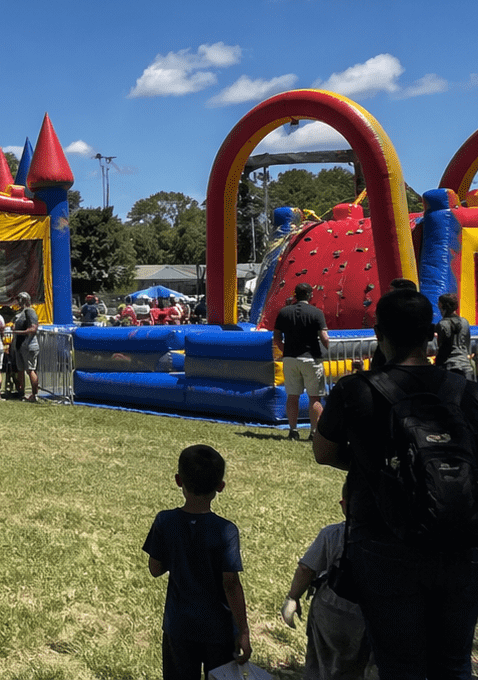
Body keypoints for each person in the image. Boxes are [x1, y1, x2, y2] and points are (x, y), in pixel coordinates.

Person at [313, 289, 478, 679]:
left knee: (398, 665)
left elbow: (323, 452)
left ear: (379, 332)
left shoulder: (354, 390)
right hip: (464, 542)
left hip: (382, 542)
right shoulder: (469, 392)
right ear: (432, 334)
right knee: (454, 661)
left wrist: (376, 470)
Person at [143, 444, 250, 680]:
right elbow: (231, 583)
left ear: (178, 480)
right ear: (220, 487)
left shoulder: (164, 521)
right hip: (218, 632)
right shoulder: (226, 530)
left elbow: (155, 568)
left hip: (178, 627)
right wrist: (243, 630)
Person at [281, 479, 370, 680]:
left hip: (329, 611)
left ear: (343, 504)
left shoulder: (333, 533)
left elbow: (306, 568)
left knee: (318, 659)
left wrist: (292, 597)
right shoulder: (386, 541)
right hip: (366, 615)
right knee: (358, 667)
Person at [274, 283, 330, 441]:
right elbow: (324, 338)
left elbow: (277, 338)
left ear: (295, 295)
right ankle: (314, 432)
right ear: (310, 295)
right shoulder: (317, 313)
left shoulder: (284, 312)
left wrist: (286, 350)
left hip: (291, 358)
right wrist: (328, 351)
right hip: (311, 357)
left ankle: (293, 430)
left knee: (292, 396)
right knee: (315, 397)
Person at [433, 293, 474, 382]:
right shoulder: (464, 322)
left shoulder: (442, 324)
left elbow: (441, 345)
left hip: (449, 365)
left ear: (442, 306)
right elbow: (467, 344)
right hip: (465, 364)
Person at [9, 292, 41, 401]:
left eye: (20, 300)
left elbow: (33, 329)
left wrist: (18, 332)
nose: (18, 302)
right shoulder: (20, 313)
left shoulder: (30, 311)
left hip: (29, 345)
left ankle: (34, 395)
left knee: (30, 370)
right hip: (20, 346)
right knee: (20, 370)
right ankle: (21, 393)